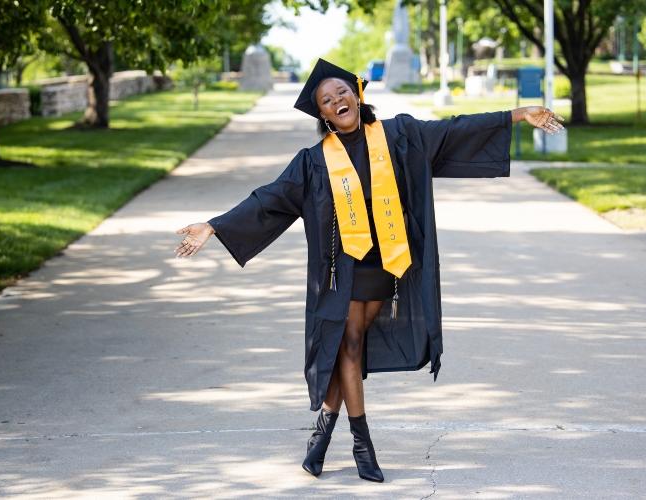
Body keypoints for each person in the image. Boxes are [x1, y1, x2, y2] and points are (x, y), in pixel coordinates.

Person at [174, 58, 564, 482]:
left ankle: (322, 433)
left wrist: (519, 113)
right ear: (321, 114)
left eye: (342, 92)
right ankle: (362, 443)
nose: (337, 101)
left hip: (384, 263)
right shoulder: (313, 161)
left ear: (357, 94)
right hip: (343, 269)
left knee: (349, 347)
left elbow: (453, 129)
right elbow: (270, 198)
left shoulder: (400, 136)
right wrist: (214, 225)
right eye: (327, 100)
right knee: (350, 344)